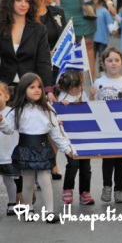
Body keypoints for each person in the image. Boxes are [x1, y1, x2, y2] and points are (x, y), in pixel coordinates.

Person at [0, 73, 74, 223]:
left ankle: (50, 213)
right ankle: (29, 210)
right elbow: (8, 130)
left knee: (45, 179)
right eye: (32, 87)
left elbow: (56, 134)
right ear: (23, 90)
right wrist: (1, 121)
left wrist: (67, 149)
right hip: (25, 148)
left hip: (43, 148)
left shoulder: (48, 110)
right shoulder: (16, 111)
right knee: (27, 182)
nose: (37, 90)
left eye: (39, 87)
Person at [94, 47, 122, 203]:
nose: (113, 63)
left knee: (120, 160)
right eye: (109, 60)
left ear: (121, 63)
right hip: (105, 127)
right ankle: (107, 186)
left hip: (121, 127)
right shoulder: (98, 83)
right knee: (108, 158)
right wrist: (91, 95)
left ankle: (119, 190)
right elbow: (94, 104)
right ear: (103, 63)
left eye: (116, 60)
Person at [56, 70, 96, 205]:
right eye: (75, 87)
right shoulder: (62, 97)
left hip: (84, 138)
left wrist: (91, 95)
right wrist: (62, 104)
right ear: (70, 88)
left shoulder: (82, 95)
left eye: (79, 87)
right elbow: (54, 112)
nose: (77, 90)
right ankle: (68, 189)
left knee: (86, 167)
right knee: (73, 164)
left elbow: (91, 106)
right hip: (69, 139)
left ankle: (85, 192)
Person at [24, 0, 68, 85]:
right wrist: (44, 54)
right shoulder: (24, 15)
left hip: (57, 72)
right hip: (31, 72)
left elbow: (66, 39)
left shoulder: (58, 13)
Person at [0, 81, 19, 216]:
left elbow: (11, 129)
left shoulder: (12, 113)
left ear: (7, 96)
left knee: (8, 180)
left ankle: (12, 203)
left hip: (7, 154)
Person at [93, 0, 117, 75]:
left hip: (102, 38)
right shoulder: (90, 10)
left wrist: (113, 30)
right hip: (92, 37)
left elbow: (110, 22)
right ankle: (92, 73)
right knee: (92, 57)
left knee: (101, 56)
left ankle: (102, 72)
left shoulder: (104, 11)